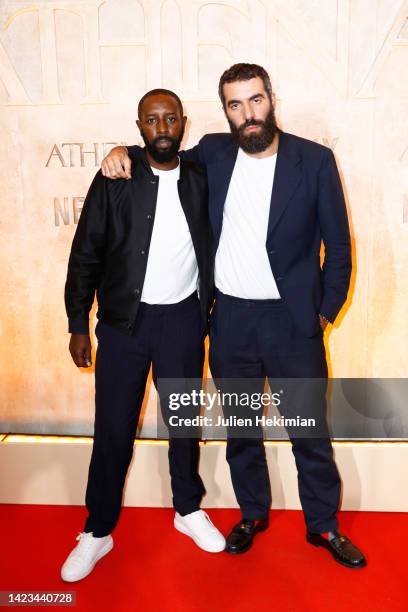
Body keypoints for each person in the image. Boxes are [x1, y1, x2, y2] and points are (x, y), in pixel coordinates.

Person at [101, 64, 366, 568]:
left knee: (308, 429)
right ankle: (252, 513)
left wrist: (323, 315)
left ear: (272, 98)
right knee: (243, 428)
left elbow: (340, 248)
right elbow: (163, 155)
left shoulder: (314, 161)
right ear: (225, 111)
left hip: (294, 325)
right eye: (235, 105)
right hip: (231, 324)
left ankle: (324, 526)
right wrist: (123, 152)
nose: (248, 114)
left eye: (255, 100)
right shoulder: (215, 154)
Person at [62, 88, 225, 583]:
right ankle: (97, 530)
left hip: (181, 323)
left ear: (183, 123)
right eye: (151, 120)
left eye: (170, 118)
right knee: (113, 429)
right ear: (139, 127)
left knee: (182, 426)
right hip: (122, 325)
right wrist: (76, 322)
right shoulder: (117, 177)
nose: (161, 127)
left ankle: (187, 510)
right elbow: (85, 251)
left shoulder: (200, 175)